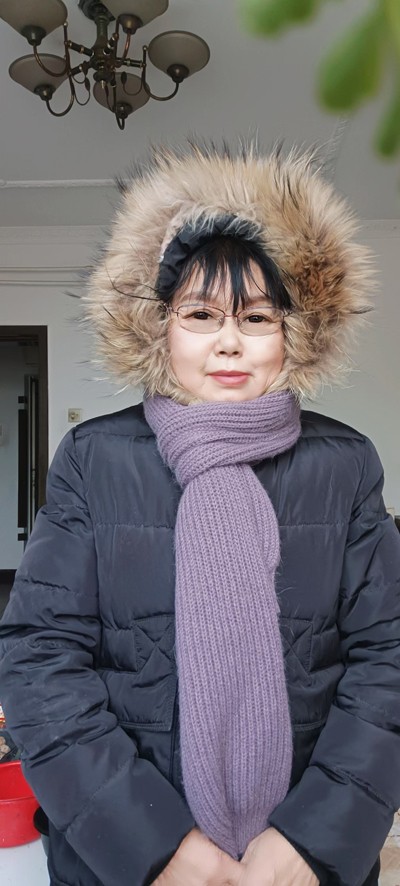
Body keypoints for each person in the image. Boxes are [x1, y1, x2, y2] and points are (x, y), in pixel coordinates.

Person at [0, 141, 399, 886]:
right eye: (200, 314)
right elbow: (41, 658)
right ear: (159, 327)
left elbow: (389, 659)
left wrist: (310, 843)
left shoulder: (345, 464)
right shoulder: (94, 457)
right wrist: (155, 847)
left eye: (257, 316)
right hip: (123, 860)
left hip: (301, 862)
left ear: (295, 333)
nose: (228, 341)